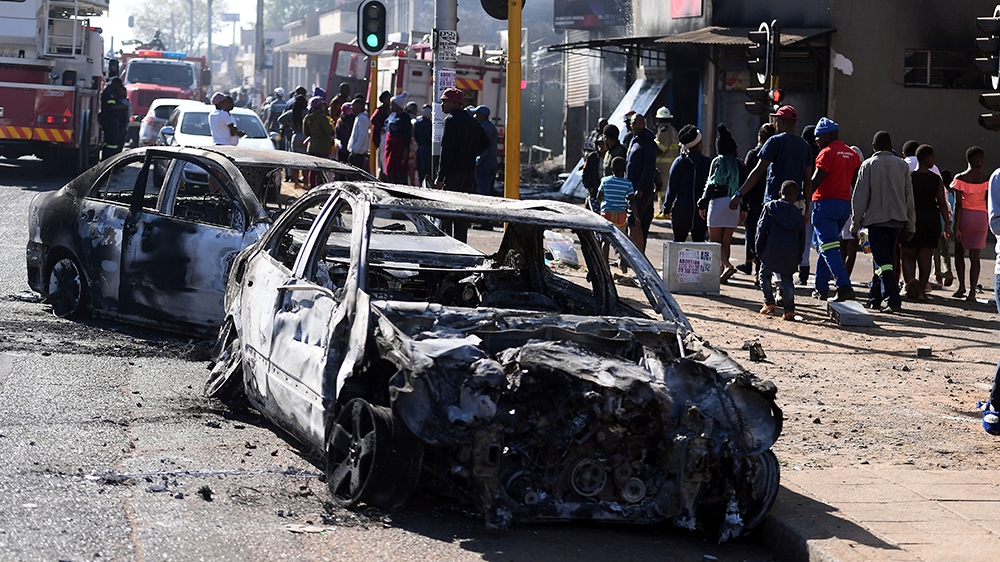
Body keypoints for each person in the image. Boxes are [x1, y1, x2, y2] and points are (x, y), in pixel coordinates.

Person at [851, 131, 915, 312]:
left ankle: (893, 300)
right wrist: (911, 224)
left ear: (874, 147)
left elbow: (860, 197)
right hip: (897, 220)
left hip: (876, 221)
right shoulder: (902, 165)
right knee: (884, 259)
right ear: (890, 146)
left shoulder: (868, 165)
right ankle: (875, 296)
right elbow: (909, 197)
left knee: (883, 260)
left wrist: (855, 224)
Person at [807, 117, 860, 302]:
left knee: (829, 247)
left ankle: (844, 285)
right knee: (827, 245)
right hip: (843, 205)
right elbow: (855, 183)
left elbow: (815, 181)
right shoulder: (852, 154)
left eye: (819, 137)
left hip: (825, 205)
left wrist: (803, 201)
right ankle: (820, 287)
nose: (817, 142)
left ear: (829, 135)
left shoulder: (826, 153)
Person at [435, 87, 490, 243]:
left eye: (445, 101)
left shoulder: (451, 120)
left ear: (454, 103)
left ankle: (448, 243)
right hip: (468, 173)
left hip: (453, 174)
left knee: (448, 211)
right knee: (462, 211)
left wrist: (440, 177)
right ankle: (460, 243)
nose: (442, 105)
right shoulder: (472, 121)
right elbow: (486, 143)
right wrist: (470, 153)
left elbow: (447, 151)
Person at [900, 144, 951, 301]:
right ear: (928, 158)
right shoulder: (936, 179)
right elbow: (942, 203)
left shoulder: (909, 178)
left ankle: (910, 282)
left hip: (912, 220)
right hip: (931, 221)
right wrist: (948, 223)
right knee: (925, 257)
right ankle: (921, 291)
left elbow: (903, 200)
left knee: (907, 254)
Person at [697, 123, 746, 282]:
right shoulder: (739, 164)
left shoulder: (717, 162)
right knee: (726, 241)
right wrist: (744, 207)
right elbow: (745, 186)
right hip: (734, 204)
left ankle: (727, 265)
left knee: (715, 242)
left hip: (717, 204)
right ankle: (721, 273)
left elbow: (710, 184)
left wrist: (702, 204)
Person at [757, 180, 806, 321]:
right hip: (790, 252)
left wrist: (759, 250)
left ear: (780, 194)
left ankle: (769, 302)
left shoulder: (769, 207)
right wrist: (799, 255)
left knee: (764, 275)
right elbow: (802, 236)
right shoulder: (797, 214)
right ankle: (789, 310)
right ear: (795, 196)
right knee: (787, 280)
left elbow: (761, 231)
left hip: (770, 250)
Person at [735, 123, 775, 279]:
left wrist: (743, 205)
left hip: (753, 204)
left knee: (753, 237)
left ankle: (759, 269)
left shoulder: (752, 155)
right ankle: (762, 270)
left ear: (759, 137)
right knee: (768, 238)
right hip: (769, 201)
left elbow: (747, 180)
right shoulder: (776, 154)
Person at [951, 146, 990, 302]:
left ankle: (961, 287)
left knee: (960, 253)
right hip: (981, 218)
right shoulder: (987, 178)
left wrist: (956, 226)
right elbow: (988, 201)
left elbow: (958, 205)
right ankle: (972, 292)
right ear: (979, 160)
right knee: (976, 257)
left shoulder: (960, 178)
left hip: (965, 217)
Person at [665, 125, 710, 243]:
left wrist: (666, 207)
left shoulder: (679, 163)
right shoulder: (708, 163)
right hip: (702, 212)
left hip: (681, 210)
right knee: (699, 244)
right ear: (699, 144)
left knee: (678, 243)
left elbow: (672, 188)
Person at [625, 113, 658, 252]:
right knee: (632, 223)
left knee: (637, 224)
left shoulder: (648, 141)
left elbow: (649, 167)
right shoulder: (633, 139)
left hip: (641, 191)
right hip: (631, 189)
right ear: (630, 124)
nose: (638, 126)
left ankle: (638, 257)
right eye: (635, 123)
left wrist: (641, 188)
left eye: (641, 123)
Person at [598, 156, 634, 262]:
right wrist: (635, 215)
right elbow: (632, 200)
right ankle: (623, 261)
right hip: (621, 215)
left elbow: (598, 196)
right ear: (625, 169)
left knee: (606, 240)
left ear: (611, 169)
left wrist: (604, 204)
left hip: (606, 214)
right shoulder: (628, 183)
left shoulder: (605, 181)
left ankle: (605, 263)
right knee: (622, 240)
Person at [653, 107, 679, 220]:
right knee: (669, 188)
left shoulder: (664, 131)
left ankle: (664, 211)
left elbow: (660, 148)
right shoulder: (673, 130)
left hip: (663, 166)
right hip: (671, 164)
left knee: (663, 190)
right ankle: (667, 210)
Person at [302, 96, 334, 186]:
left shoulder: (307, 118)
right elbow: (327, 131)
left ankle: (312, 187)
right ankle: (321, 187)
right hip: (323, 147)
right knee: (322, 170)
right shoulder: (322, 117)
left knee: (313, 170)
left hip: (312, 147)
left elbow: (306, 133)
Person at [383, 92, 412, 185]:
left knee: (399, 169)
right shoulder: (391, 116)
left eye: (393, 105)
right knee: (390, 168)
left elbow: (407, 135)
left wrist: (405, 150)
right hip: (390, 148)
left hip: (399, 148)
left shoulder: (405, 118)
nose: (390, 106)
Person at [934, 169, 956, 288]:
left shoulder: (939, 195)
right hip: (948, 227)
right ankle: (948, 272)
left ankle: (938, 277)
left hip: (938, 226)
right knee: (945, 252)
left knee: (936, 253)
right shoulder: (952, 196)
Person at [98, 77, 129, 160]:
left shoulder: (112, 92)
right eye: (119, 86)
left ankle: (108, 159)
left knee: (112, 142)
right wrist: (122, 107)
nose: (119, 88)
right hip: (110, 120)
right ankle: (108, 159)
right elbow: (111, 106)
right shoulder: (110, 93)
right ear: (116, 84)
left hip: (111, 120)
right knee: (112, 142)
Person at [473, 105, 499, 198]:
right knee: (487, 187)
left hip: (485, 162)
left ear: (481, 115)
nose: (475, 116)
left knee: (483, 190)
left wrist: (477, 163)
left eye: (476, 114)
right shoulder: (491, 126)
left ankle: (485, 209)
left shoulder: (484, 128)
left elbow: (484, 148)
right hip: (492, 161)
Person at [582, 135, 607, 213]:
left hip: (608, 194)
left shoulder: (611, 157)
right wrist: (589, 187)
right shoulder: (592, 158)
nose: (601, 146)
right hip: (594, 192)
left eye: (603, 144)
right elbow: (585, 174)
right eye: (599, 144)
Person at [370, 91, 392, 179]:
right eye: (388, 99)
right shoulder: (381, 109)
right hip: (380, 139)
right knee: (381, 158)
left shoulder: (388, 109)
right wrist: (380, 128)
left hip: (385, 138)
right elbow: (373, 119)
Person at [347, 97, 370, 171]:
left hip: (358, 154)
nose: (351, 108)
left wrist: (355, 151)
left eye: (353, 106)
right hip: (356, 152)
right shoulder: (359, 117)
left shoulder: (362, 119)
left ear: (359, 106)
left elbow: (361, 136)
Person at [413, 104, 433, 187]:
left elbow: (416, 137)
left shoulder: (418, 124)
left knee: (421, 171)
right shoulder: (432, 125)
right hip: (429, 150)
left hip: (421, 149)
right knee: (429, 171)